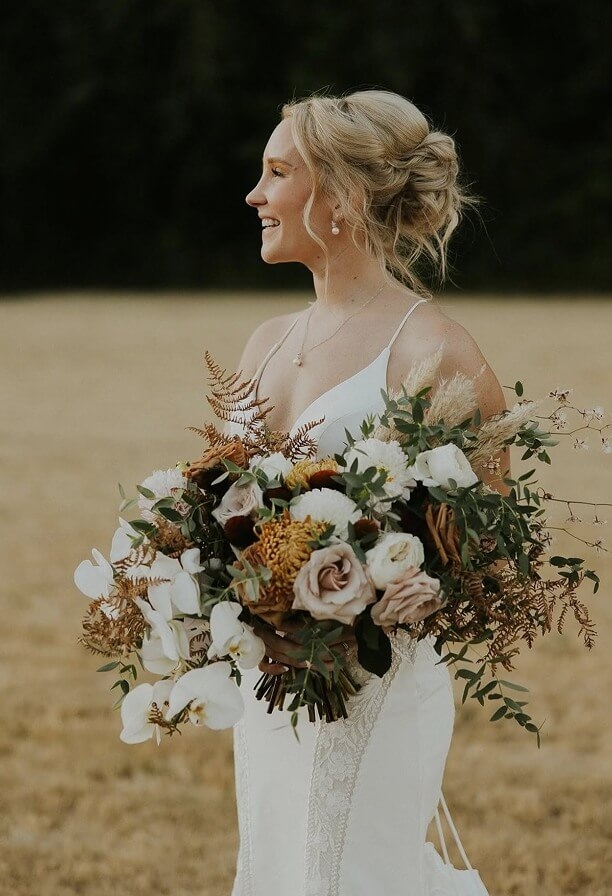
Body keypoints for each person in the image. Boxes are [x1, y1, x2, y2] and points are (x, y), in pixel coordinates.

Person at [226, 89, 503, 896]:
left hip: (376, 690)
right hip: (269, 686)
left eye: (277, 172)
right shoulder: (263, 342)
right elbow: (225, 513)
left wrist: (389, 592)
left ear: (340, 199)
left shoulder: (432, 348)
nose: (255, 194)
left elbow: (488, 542)